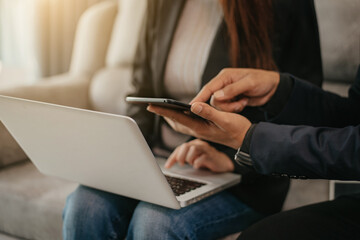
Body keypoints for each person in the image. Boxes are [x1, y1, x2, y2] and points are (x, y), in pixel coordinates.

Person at [62, 0, 323, 239]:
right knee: (86, 206)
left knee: (156, 222)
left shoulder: (285, 5)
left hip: (242, 176)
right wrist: (128, 150)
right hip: (158, 162)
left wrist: (232, 158)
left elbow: (304, 109)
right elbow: (141, 91)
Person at [148, 66, 360, 239]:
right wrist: (280, 90)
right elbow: (353, 114)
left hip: (252, 184)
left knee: (156, 221)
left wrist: (249, 141)